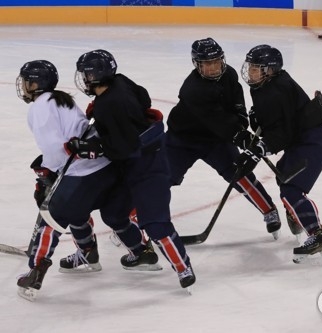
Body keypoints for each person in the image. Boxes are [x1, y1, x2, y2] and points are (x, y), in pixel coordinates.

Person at [16, 60, 161, 301]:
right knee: (101, 212)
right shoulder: (61, 98)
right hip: (108, 168)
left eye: (25, 81)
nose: (23, 86)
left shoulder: (40, 106)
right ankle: (139, 253)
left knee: (50, 215)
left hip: (84, 173)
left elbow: (55, 148)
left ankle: (35, 271)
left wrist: (46, 176)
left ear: (34, 83)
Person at [69, 49, 196, 291]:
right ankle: (140, 253)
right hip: (134, 164)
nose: (84, 78)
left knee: (155, 223)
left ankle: (183, 268)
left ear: (96, 76)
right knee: (114, 213)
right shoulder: (120, 81)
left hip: (149, 167)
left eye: (87, 74)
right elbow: (144, 99)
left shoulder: (109, 104)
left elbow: (123, 148)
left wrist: (93, 147)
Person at [165, 37, 282, 240]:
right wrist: (238, 135)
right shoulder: (192, 89)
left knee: (239, 173)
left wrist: (241, 117)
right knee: (160, 179)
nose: (213, 68)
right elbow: (216, 119)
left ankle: (269, 210)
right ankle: (133, 220)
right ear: (197, 65)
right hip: (182, 141)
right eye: (207, 64)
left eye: (217, 61)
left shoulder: (229, 74)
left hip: (215, 140)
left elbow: (236, 98)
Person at [238, 45, 322, 264]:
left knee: (291, 188)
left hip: (314, 141)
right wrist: (259, 119)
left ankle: (317, 236)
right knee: (284, 172)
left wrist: (258, 150)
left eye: (256, 67)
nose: (250, 72)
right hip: (304, 138)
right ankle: (297, 214)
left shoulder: (276, 90)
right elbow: (278, 122)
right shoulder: (265, 85)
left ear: (270, 70)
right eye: (251, 66)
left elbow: (283, 134)